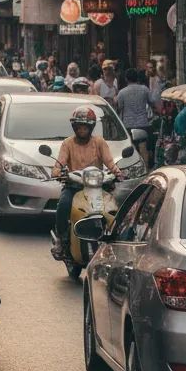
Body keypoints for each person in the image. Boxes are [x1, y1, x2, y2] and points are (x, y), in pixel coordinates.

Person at [51, 105, 124, 257]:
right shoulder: (67, 143)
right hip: (74, 187)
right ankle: (62, 239)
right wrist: (57, 172)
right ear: (74, 127)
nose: (82, 130)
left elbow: (110, 162)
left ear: (91, 128)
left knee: (114, 208)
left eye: (85, 127)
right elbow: (59, 163)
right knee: (63, 206)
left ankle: (118, 240)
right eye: (79, 127)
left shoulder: (99, 142)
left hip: (97, 187)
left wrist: (117, 172)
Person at [115, 68, 159, 159]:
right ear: (137, 78)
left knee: (130, 150)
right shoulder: (144, 89)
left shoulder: (122, 92)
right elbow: (152, 103)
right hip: (142, 124)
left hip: (128, 125)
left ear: (126, 79)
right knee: (143, 148)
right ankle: (146, 170)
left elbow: (119, 108)